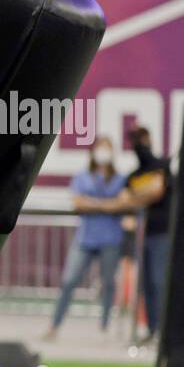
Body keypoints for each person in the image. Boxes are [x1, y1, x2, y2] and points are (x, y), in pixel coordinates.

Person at [45, 137, 126, 339]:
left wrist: (96, 204)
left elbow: (122, 204)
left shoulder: (119, 178)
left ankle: (105, 324)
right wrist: (106, 205)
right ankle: (55, 325)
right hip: (86, 238)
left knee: (108, 283)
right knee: (69, 280)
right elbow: (78, 202)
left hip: (111, 238)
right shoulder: (83, 176)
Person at [125, 126, 171, 341]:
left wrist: (138, 196)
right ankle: (153, 330)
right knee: (148, 285)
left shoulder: (162, 166)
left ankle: (164, 331)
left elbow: (156, 191)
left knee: (160, 282)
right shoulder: (134, 175)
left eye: (142, 139)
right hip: (146, 235)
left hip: (164, 232)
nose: (139, 145)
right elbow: (125, 199)